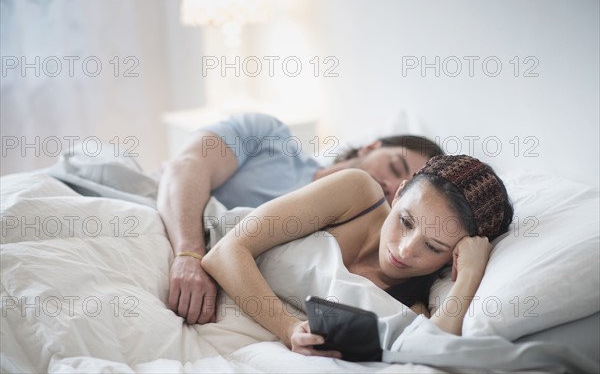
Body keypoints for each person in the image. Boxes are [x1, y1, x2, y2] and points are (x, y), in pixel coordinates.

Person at [201, 154, 513, 358]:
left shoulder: (417, 304)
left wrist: (470, 273)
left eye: (433, 247)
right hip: (199, 243)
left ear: (452, 257)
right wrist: (288, 327)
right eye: (405, 221)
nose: (404, 250)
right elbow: (225, 251)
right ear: (400, 193)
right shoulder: (356, 193)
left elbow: (437, 349)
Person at [157, 113, 444, 324]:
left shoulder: (356, 234)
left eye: (403, 189)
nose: (391, 187)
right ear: (370, 146)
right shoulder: (269, 136)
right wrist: (188, 253)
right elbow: (185, 167)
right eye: (395, 167)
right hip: (167, 227)